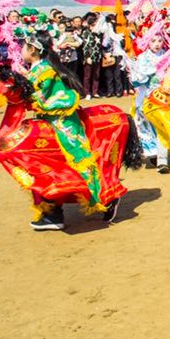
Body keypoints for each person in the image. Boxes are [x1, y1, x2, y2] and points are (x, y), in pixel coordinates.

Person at [21, 30, 122, 229]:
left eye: (23, 47)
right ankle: (52, 211)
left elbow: (40, 98)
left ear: (32, 49)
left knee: (75, 162)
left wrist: (18, 91)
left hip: (62, 124)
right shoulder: (36, 69)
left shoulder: (44, 71)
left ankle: (105, 198)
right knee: (45, 166)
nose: (21, 50)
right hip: (47, 123)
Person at [129, 35, 170, 173]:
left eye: (160, 41)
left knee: (162, 128)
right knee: (147, 129)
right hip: (146, 99)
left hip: (165, 99)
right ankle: (153, 153)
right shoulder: (142, 59)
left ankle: (162, 160)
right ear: (148, 42)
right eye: (153, 40)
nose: (157, 44)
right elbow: (137, 81)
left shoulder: (169, 56)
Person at [80, 13, 102, 99]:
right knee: (87, 76)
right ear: (89, 25)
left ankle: (95, 91)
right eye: (93, 25)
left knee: (96, 75)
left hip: (97, 56)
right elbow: (85, 46)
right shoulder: (86, 32)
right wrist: (87, 57)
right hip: (89, 57)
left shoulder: (98, 33)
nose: (94, 26)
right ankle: (87, 92)